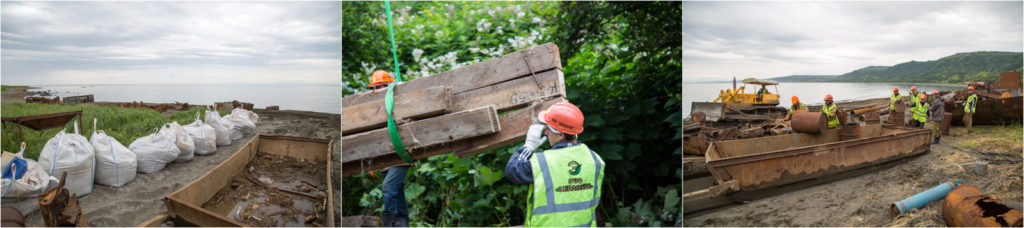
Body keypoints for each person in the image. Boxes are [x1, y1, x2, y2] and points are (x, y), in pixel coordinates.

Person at [505, 102, 605, 227]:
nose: (546, 133)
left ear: (561, 134)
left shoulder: (543, 163)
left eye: (548, 128)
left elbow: (513, 170)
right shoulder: (595, 160)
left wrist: (528, 146)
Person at [369, 70, 412, 227]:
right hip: (386, 156)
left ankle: (389, 224)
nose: (377, 90)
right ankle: (402, 225)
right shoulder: (375, 106)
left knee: (389, 189)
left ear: (388, 86)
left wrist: (400, 87)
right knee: (398, 193)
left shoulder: (395, 99)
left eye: (381, 87)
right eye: (375, 87)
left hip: (400, 154)